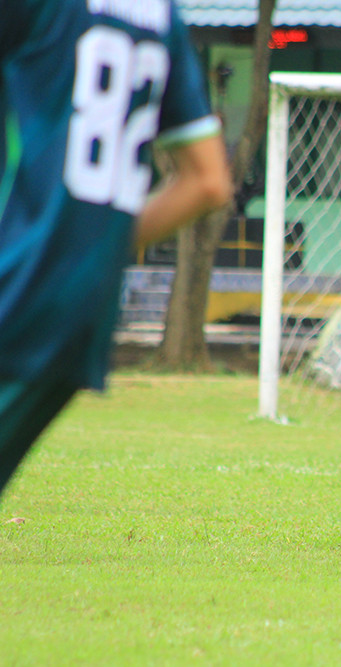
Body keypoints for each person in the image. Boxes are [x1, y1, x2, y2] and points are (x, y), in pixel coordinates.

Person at [0, 0, 231, 496]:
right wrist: (89, 244)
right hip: (82, 303)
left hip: (12, 277)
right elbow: (208, 180)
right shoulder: (161, 16)